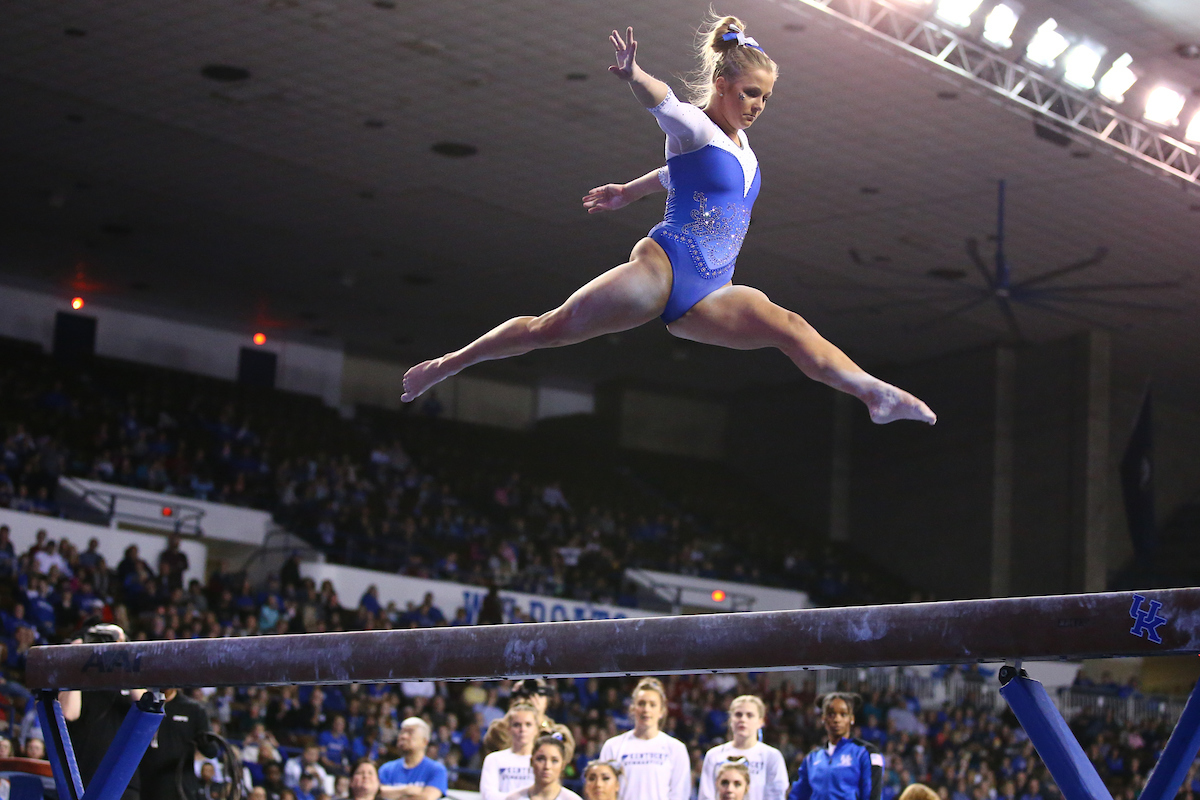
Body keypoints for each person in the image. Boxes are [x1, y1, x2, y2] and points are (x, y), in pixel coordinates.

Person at [399, 16, 935, 427]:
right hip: (665, 267)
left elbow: (682, 176)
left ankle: (872, 393)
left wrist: (630, 190)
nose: (757, 106)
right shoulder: (695, 127)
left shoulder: (743, 148)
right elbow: (665, 104)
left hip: (712, 292)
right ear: (723, 85)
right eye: (750, 93)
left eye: (766, 98)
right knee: (550, 330)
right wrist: (634, 74)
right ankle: (450, 363)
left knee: (787, 325)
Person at [61, 624, 147, 800]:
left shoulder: (129, 681)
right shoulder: (79, 682)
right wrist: (77, 660)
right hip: (86, 777)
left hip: (124, 779)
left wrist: (125, 659)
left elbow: (146, 704)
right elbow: (69, 713)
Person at [599, 678, 689, 800]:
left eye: (652, 704)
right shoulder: (613, 746)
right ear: (632, 708)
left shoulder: (676, 748)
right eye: (641, 703)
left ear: (661, 711)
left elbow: (679, 794)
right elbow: (604, 792)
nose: (646, 710)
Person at [788, 693, 882, 800]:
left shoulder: (865, 753)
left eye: (843, 714)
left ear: (852, 719)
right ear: (823, 718)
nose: (837, 720)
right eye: (831, 714)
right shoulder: (812, 758)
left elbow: (872, 795)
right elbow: (797, 795)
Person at [699, 696, 787, 800]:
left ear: (761, 721)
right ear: (730, 720)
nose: (743, 719)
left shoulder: (772, 756)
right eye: (738, 714)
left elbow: (777, 795)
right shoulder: (714, 755)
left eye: (749, 715)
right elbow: (706, 795)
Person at [138, 687, 219, 800]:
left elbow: (212, 751)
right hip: (145, 783)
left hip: (179, 785)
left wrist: (205, 742)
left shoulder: (193, 709)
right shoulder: (141, 705)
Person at [481, 702, 539, 800]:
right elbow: (489, 795)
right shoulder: (494, 759)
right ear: (509, 729)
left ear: (536, 728)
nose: (523, 729)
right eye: (517, 725)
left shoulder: (543, 761)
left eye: (528, 724)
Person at [377, 718, 448, 800]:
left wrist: (393, 793)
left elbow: (426, 798)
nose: (403, 736)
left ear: (424, 742)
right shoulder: (387, 769)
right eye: (402, 732)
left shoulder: (436, 769)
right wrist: (408, 790)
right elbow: (378, 793)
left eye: (410, 732)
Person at [504, 734, 582, 800]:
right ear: (531, 761)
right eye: (541, 759)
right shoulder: (513, 798)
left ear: (563, 765)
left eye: (554, 761)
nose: (547, 766)